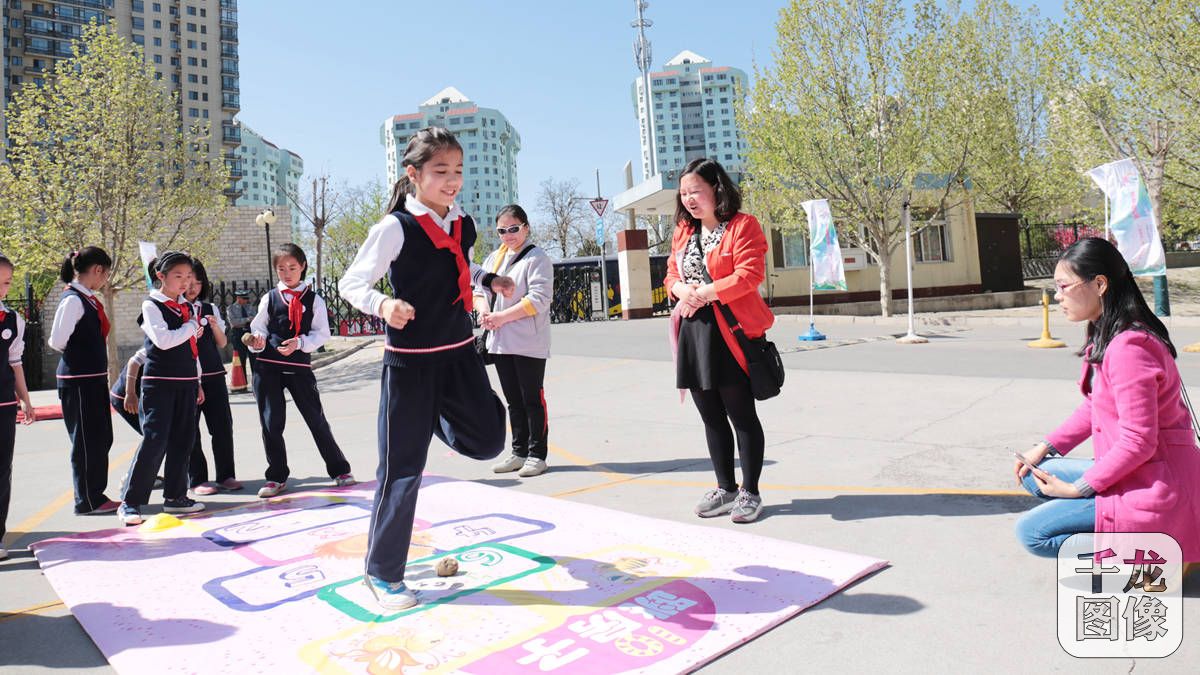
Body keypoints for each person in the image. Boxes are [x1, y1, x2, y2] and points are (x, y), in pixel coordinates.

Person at [339, 126, 514, 611]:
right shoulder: (394, 227)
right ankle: (381, 573)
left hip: (459, 354)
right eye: (441, 172)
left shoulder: (462, 222)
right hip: (411, 365)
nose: (452, 180)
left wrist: (490, 279)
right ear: (414, 175)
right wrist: (383, 304)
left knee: (489, 439)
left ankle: (429, 420)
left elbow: (461, 264)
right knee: (402, 471)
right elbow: (351, 282)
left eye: (458, 170)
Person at [1014, 237, 1200, 564]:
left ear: (1099, 284)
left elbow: (1139, 441)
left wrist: (1080, 489)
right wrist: (1045, 446)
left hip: (1155, 483)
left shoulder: (1130, 346)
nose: (1057, 297)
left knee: (1033, 533)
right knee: (1033, 472)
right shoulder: (1110, 333)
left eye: (1063, 286)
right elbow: (1094, 406)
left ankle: (1152, 556)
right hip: (1141, 470)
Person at [664, 158, 775, 524]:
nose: (689, 199)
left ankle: (750, 492)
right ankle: (725, 487)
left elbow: (749, 274)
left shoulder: (743, 226)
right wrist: (681, 289)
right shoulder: (683, 230)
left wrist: (707, 292)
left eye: (696, 190)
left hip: (730, 331)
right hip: (694, 331)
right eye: (684, 193)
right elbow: (670, 275)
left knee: (741, 414)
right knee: (710, 415)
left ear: (717, 188)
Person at [246, 243, 354, 499]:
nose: (287, 273)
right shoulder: (270, 297)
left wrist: (300, 343)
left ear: (303, 266)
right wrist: (258, 340)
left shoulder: (313, 299)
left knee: (316, 419)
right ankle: (276, 477)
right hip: (268, 367)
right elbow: (258, 327)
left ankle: (339, 470)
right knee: (271, 423)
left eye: (292, 267)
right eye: (281, 268)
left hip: (298, 367)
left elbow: (321, 334)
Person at [118, 252, 206, 525]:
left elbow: (192, 351)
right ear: (161, 276)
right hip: (159, 383)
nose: (185, 283)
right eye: (178, 276)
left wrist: (198, 380)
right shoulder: (152, 305)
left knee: (184, 439)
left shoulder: (188, 307)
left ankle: (176, 497)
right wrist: (192, 326)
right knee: (155, 440)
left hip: (187, 382)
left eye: (188, 277)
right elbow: (164, 341)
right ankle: (130, 502)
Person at [474, 204, 555, 478]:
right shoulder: (493, 259)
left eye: (513, 229)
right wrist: (484, 312)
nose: (508, 235)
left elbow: (539, 300)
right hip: (500, 342)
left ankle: (537, 454)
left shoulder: (537, 258)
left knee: (532, 398)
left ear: (526, 227)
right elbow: (478, 291)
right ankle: (519, 452)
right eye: (502, 230)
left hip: (528, 341)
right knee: (513, 401)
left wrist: (502, 317)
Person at [47, 246, 119, 516]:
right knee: (86, 441)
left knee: (101, 438)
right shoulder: (73, 300)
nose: (106, 279)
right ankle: (87, 500)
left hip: (93, 379)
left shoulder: (87, 298)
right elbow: (57, 341)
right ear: (98, 270)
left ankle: (95, 494)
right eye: (106, 273)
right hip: (78, 381)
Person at [187, 259, 241, 495]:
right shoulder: (172, 308)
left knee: (222, 426)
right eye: (187, 282)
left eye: (197, 283)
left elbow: (222, 343)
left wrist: (215, 326)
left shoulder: (209, 308)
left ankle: (226, 475)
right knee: (190, 430)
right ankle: (197, 479)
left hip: (214, 374)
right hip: (187, 378)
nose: (192, 288)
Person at [0, 255, 37, 560]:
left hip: (3, 405)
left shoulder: (14, 320)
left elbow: (15, 363)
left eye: (7, 282)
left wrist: (25, 399)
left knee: (2, 471)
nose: (3, 287)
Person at [227, 289, 255, 372]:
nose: (246, 300)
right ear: (238, 298)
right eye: (244, 299)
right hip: (238, 334)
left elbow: (255, 319)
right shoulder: (231, 308)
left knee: (254, 358)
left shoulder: (250, 307)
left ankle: (255, 381)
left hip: (250, 334)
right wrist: (247, 319)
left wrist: (241, 320)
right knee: (241, 359)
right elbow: (234, 322)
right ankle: (242, 383)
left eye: (247, 298)